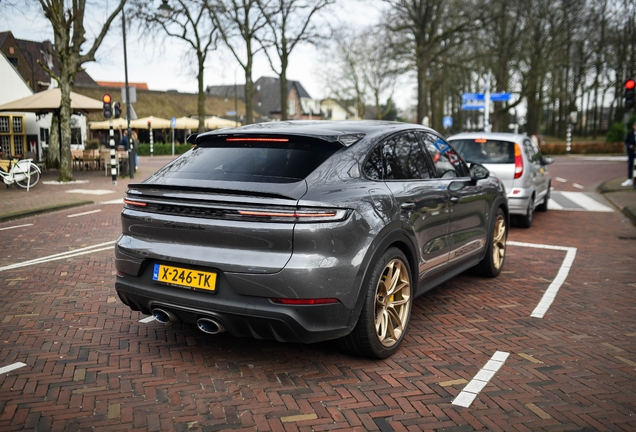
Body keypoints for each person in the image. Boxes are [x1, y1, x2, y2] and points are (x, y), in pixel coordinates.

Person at [622, 121, 636, 187]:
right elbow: (626, 141)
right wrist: (629, 145)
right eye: (635, 125)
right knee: (630, 165)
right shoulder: (630, 133)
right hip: (631, 152)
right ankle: (629, 179)